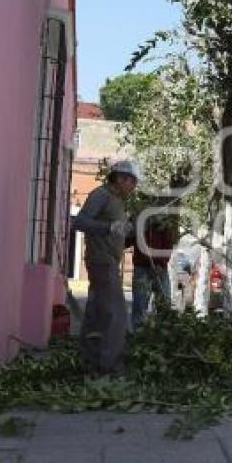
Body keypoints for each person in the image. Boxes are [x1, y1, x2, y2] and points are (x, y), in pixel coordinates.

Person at [72, 160, 139, 374]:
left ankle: (89, 359)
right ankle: (109, 365)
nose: (134, 186)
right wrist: (110, 227)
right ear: (120, 178)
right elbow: (80, 222)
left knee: (95, 312)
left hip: (108, 260)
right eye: (132, 181)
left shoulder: (117, 200)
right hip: (101, 261)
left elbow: (114, 230)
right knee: (116, 314)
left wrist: (124, 230)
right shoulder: (101, 195)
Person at [130, 197, 180, 328]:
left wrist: (161, 263)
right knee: (140, 303)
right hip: (141, 267)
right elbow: (128, 240)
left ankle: (163, 332)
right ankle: (138, 333)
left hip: (160, 268)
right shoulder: (138, 223)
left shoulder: (163, 223)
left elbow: (168, 245)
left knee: (164, 301)